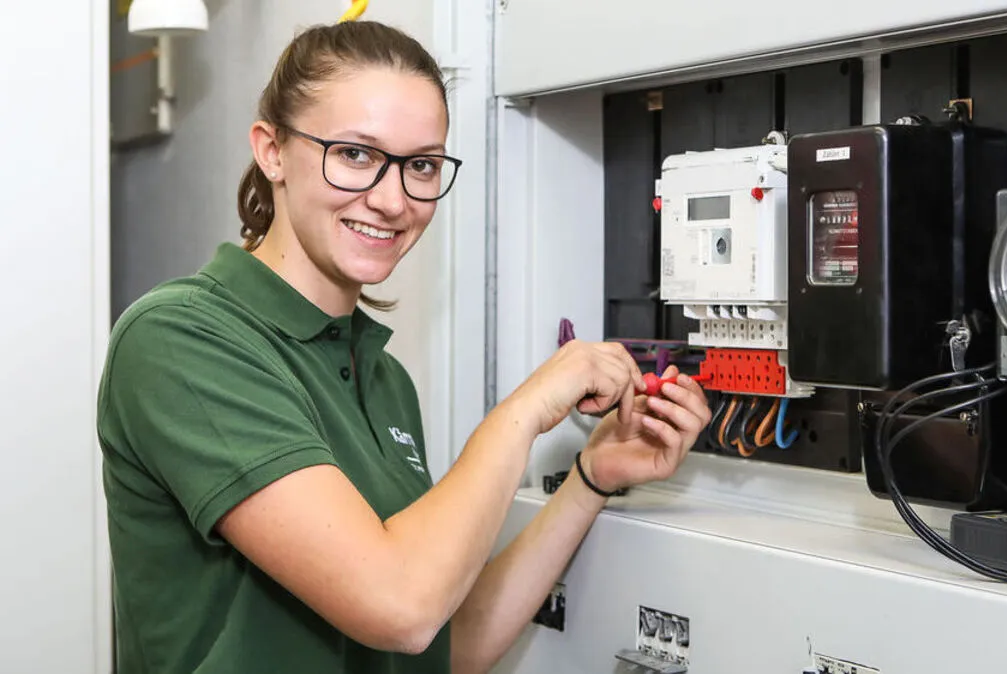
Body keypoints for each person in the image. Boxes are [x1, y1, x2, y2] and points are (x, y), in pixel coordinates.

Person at [96, 19, 711, 674]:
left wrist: (590, 478)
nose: (393, 200)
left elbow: (446, 642)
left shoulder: (383, 377)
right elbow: (400, 606)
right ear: (272, 151)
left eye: (420, 165)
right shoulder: (181, 339)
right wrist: (525, 410)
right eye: (355, 154)